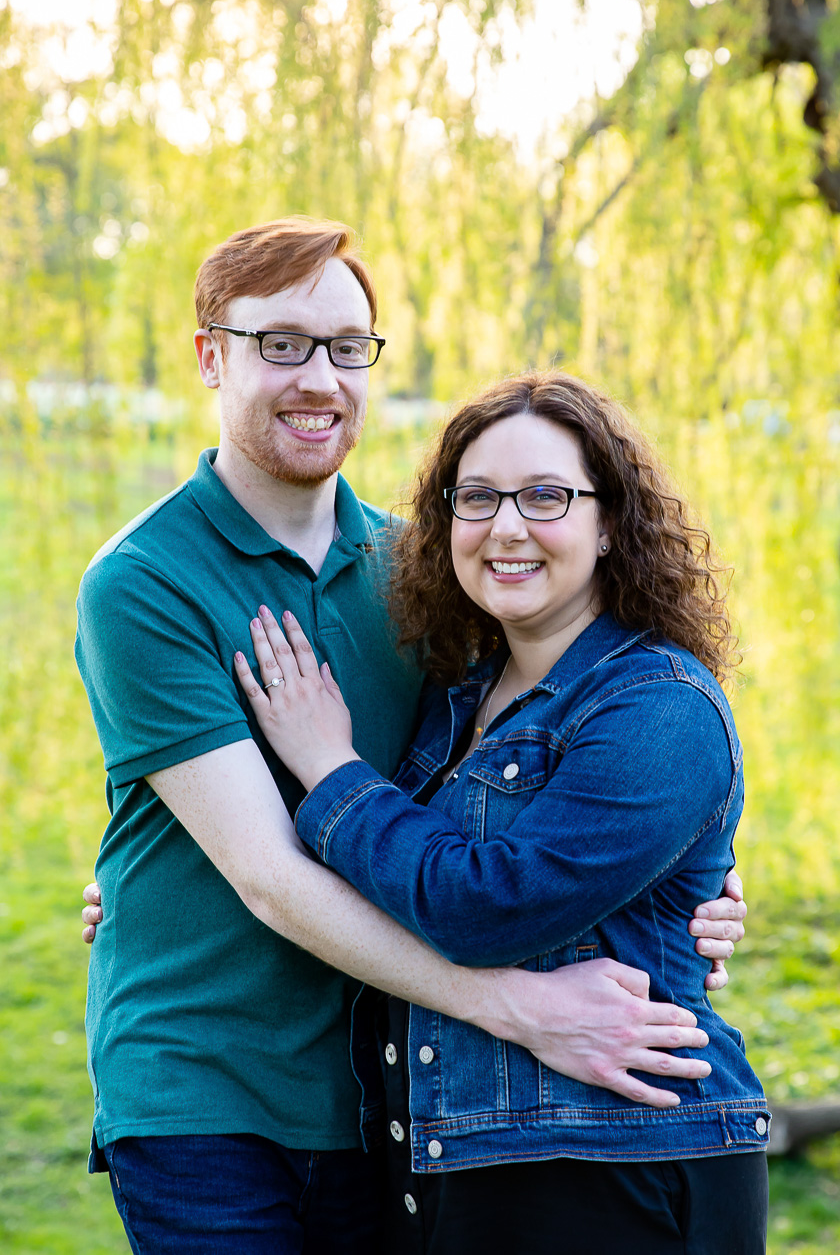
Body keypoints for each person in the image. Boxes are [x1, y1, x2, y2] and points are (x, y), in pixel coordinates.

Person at [76, 218, 747, 1254]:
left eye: (349, 346)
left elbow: (517, 778)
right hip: (206, 1089)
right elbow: (264, 875)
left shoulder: (428, 575)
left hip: (391, 1094)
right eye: (283, 344)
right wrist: (519, 1008)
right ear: (212, 355)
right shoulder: (145, 581)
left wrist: (686, 881)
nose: (321, 377)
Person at [229, 369, 769, 1253]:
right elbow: (370, 875)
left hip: (618, 1156)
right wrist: (148, 890)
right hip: (455, 1165)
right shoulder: (455, 695)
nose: (506, 526)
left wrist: (332, 769)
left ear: (609, 525)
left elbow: (490, 905)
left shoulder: (661, 705)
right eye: (477, 497)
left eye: (546, 496)